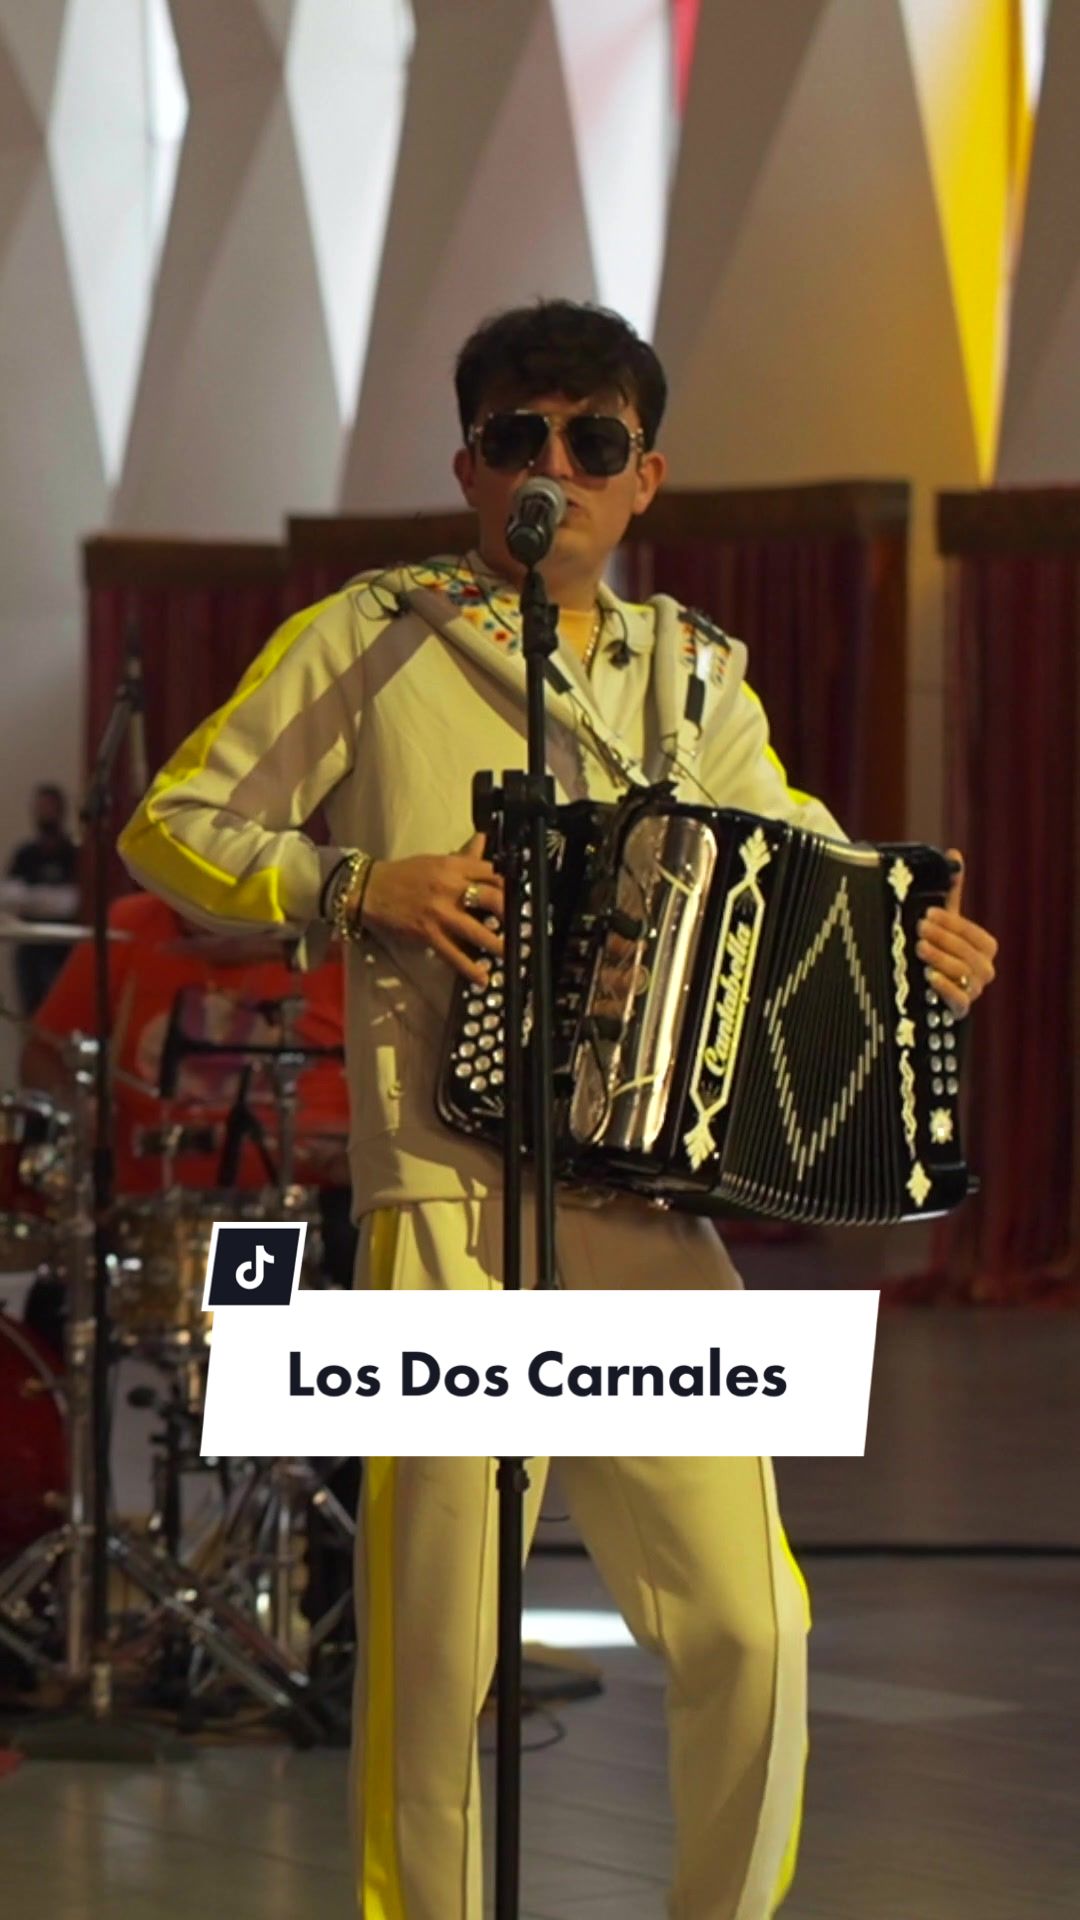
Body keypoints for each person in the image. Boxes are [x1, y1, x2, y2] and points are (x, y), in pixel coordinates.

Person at [117, 300, 999, 1920]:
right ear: (470, 467)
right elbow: (173, 823)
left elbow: (801, 861)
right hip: (444, 1195)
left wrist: (911, 944)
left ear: (645, 477)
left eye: (596, 442)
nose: (556, 468)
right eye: (519, 437)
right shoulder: (368, 633)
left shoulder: (696, 677)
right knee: (439, 1649)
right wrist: (356, 882)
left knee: (753, 1624)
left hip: (643, 1205)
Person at [1, 784, 81, 1013]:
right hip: (31, 948)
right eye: (39, 807)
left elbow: (71, 903)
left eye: (48, 807)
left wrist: (33, 897)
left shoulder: (74, 853)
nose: (43, 812)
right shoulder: (25, 854)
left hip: (66, 949)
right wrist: (49, 899)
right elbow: (10, 896)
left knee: (64, 1009)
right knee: (32, 1011)